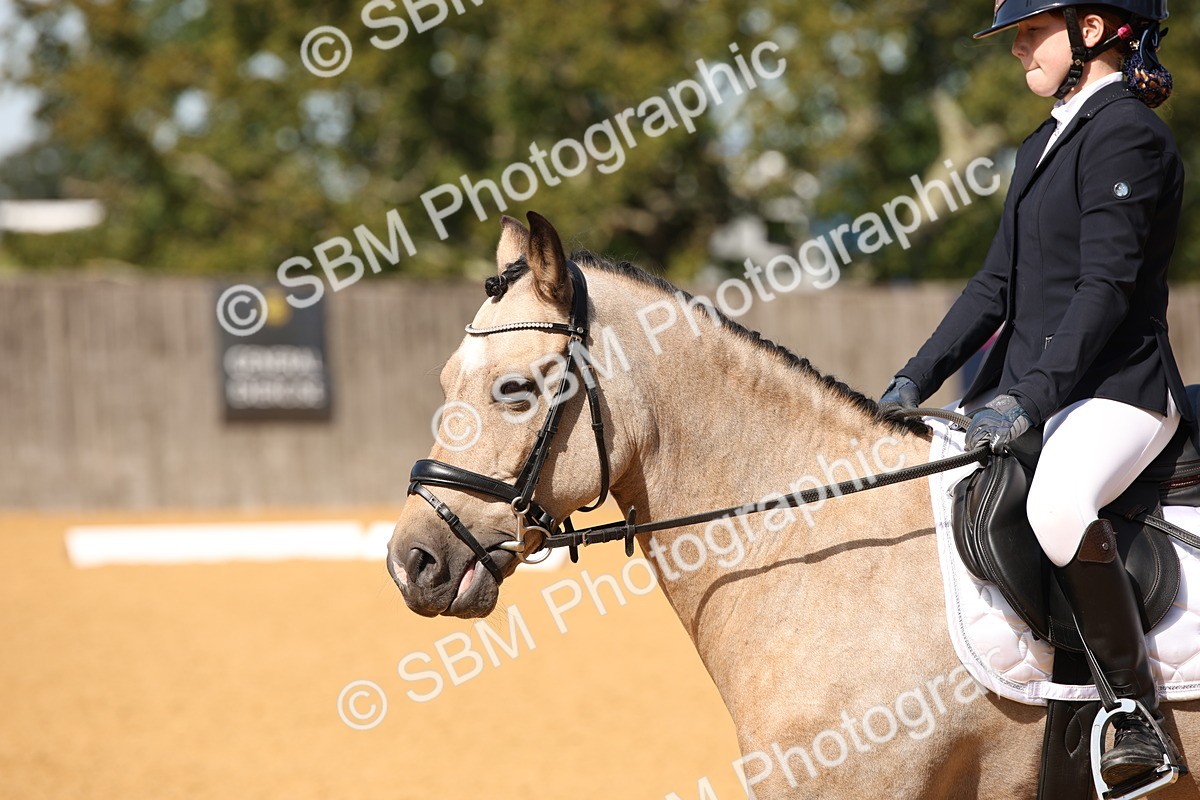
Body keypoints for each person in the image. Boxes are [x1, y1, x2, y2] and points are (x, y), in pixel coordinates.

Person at [879, 0, 1195, 788]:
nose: (1017, 45)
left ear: (1092, 31)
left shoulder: (1129, 134)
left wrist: (1031, 396)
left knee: (1057, 502)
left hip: (1118, 393)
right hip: (1034, 389)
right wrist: (913, 377)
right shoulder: (1044, 142)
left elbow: (1105, 291)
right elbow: (995, 287)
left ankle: (1136, 716)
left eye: (1031, 29)